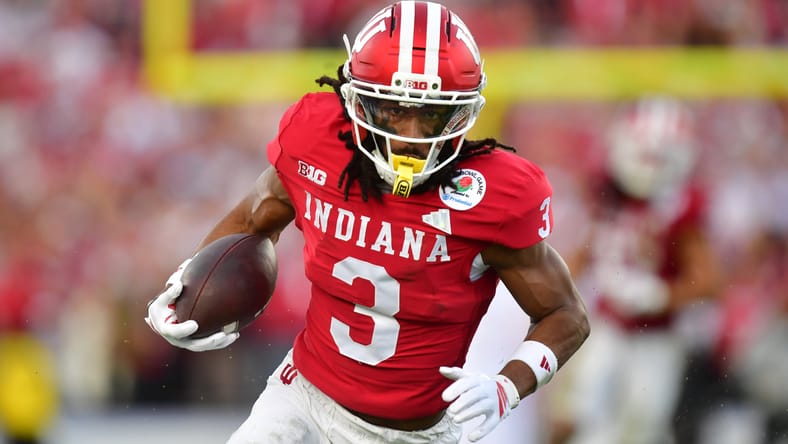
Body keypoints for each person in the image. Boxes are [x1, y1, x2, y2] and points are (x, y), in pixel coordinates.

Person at [145, 2, 589, 443]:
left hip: (414, 436)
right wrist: (187, 287)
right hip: (302, 401)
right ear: (357, 99)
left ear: (462, 113)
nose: (410, 136)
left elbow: (566, 313)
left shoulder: (493, 196)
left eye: (431, 114)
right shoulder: (318, 143)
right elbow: (250, 220)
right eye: (394, 110)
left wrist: (509, 385)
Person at [545, 97, 721, 444]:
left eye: (659, 157)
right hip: (605, 326)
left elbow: (710, 281)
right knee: (571, 415)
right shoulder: (608, 191)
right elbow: (582, 254)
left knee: (640, 427)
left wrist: (660, 295)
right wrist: (553, 294)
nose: (648, 165)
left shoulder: (680, 207)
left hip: (656, 338)